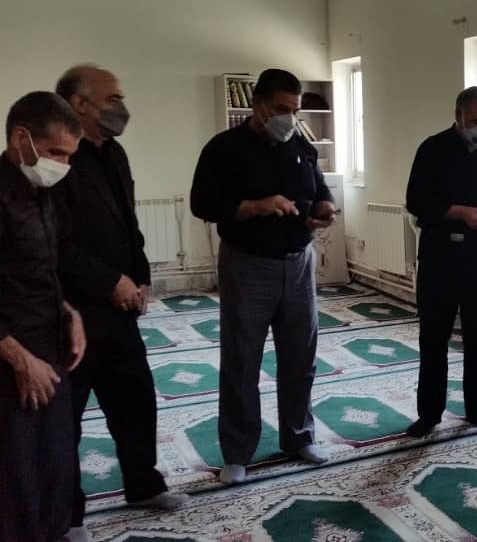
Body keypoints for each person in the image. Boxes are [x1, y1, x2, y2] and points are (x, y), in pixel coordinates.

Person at [54, 65, 188, 541]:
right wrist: (110, 280)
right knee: (65, 420)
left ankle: (143, 485)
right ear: (80, 104)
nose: (121, 106)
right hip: (73, 312)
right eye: (112, 98)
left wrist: (142, 276)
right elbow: (58, 242)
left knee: (135, 402)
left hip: (120, 310)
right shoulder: (58, 159)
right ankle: (67, 516)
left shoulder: (113, 152)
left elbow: (129, 223)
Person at [190, 69, 336, 484]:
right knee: (242, 361)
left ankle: (299, 437)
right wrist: (256, 206)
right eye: (281, 109)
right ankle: (237, 453)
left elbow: (319, 190)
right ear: (257, 104)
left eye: (295, 110)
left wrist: (324, 209)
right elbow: (202, 204)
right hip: (247, 265)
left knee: (300, 358)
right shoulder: (224, 148)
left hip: (299, 264)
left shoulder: (300, 145)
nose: (289, 118)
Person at [404, 86, 477, 437]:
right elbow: (416, 201)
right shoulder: (432, 149)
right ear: (459, 115)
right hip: (440, 256)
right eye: (476, 121)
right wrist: (459, 212)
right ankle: (429, 413)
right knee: (434, 338)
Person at [0, 91, 86, 542]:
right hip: (12, 359)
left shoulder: (41, 191)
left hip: (49, 346)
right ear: (21, 138)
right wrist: (18, 358)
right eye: (56, 153)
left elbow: (42, 269)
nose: (63, 165)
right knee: (17, 483)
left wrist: (70, 312)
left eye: (69, 156)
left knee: (54, 465)